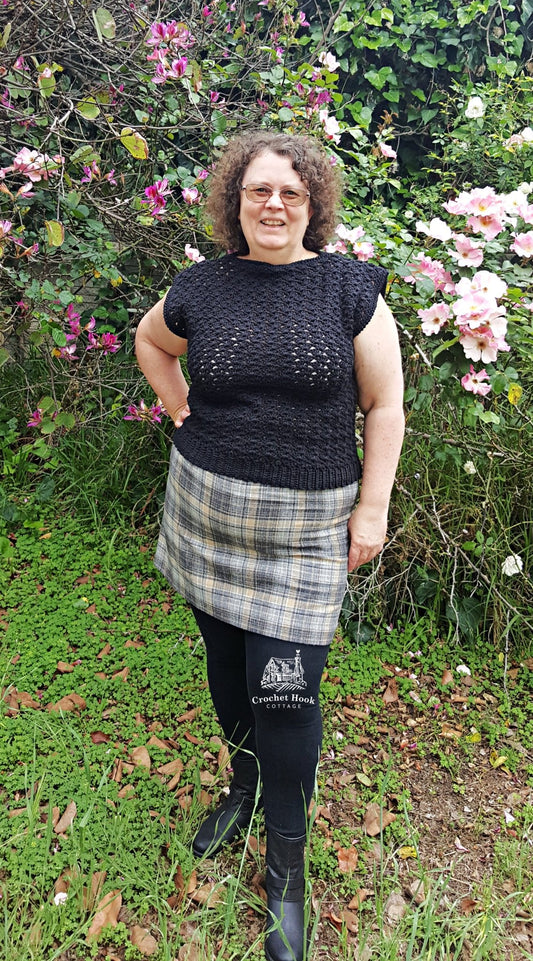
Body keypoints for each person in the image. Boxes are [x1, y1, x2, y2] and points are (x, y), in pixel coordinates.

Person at [135, 130, 405, 961]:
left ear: (312, 203)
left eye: (290, 191)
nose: (274, 204)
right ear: (235, 201)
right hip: (205, 519)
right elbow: (151, 343)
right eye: (258, 190)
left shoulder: (348, 290)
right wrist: (181, 413)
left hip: (302, 538)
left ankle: (285, 864)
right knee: (226, 671)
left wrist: (372, 508)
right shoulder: (200, 288)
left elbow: (384, 404)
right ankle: (242, 789)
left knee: (284, 691)